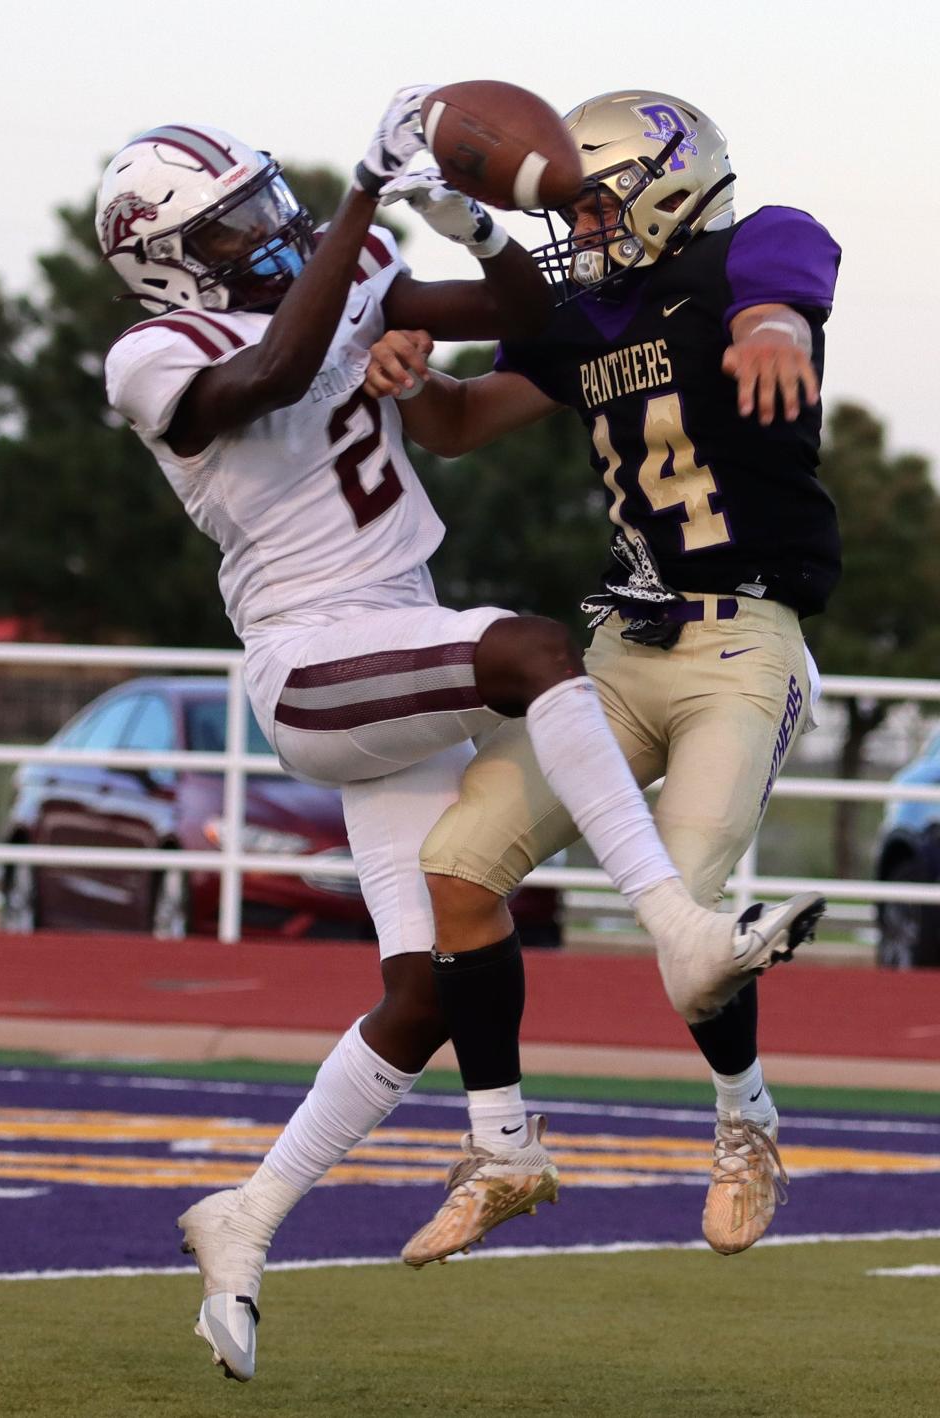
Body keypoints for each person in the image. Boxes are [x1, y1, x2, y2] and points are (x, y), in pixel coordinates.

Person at [97, 92, 822, 1382]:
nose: (268, 229)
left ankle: (253, 1215)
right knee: (540, 649)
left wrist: (474, 234)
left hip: (400, 639)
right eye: (230, 226)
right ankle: (673, 921)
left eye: (272, 201)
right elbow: (264, 375)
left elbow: (538, 330)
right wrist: (368, 204)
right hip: (314, 659)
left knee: (433, 970)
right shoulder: (155, 349)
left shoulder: (359, 270)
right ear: (164, 260)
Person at [365, 89, 841, 1268]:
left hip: (743, 642)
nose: (577, 222)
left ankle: (747, 1122)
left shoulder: (750, 247)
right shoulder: (584, 315)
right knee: (457, 869)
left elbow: (793, 261)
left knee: (688, 918)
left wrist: (775, 322)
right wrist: (411, 374)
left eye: (592, 196)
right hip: (620, 652)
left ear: (668, 179)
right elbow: (467, 421)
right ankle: (504, 1144)